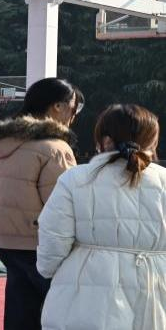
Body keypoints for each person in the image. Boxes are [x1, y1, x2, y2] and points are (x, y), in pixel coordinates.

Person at [37, 104, 165, 329]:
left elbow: (53, 241)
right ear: (152, 141)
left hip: (86, 293)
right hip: (156, 290)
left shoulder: (75, 179)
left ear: (104, 140)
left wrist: (48, 269)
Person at [0, 77, 82, 330]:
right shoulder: (54, 148)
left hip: (5, 242)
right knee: (58, 315)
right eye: (74, 107)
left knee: (20, 312)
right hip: (40, 245)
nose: (74, 115)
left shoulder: (1, 143)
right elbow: (64, 205)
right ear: (57, 107)